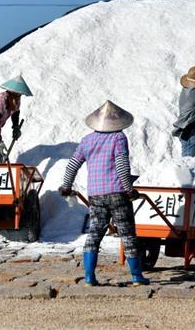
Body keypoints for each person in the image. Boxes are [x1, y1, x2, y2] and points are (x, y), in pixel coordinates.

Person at [59, 100, 149, 287]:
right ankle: (136, 276)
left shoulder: (87, 140)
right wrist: (129, 190)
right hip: (117, 193)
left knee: (94, 233)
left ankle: (89, 277)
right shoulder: (119, 138)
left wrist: (66, 187)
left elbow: (72, 165)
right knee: (127, 234)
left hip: (96, 195)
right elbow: (122, 167)